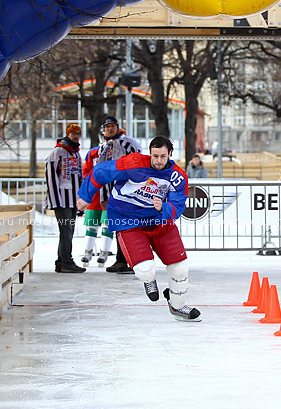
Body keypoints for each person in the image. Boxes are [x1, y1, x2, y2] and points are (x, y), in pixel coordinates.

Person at [76, 136, 201, 321]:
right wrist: (86, 196)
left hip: (159, 220)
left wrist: (163, 208)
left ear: (170, 155)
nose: (158, 161)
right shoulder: (133, 163)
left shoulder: (178, 176)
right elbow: (101, 171)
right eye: (155, 156)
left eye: (163, 156)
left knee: (180, 268)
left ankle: (178, 306)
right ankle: (149, 280)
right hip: (129, 221)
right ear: (150, 153)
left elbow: (178, 206)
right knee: (145, 269)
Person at [81, 115, 142, 271]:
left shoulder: (129, 143)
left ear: (117, 126)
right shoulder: (103, 147)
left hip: (127, 192)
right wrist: (103, 196)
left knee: (128, 227)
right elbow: (100, 173)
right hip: (110, 195)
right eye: (106, 127)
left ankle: (130, 260)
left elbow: (139, 164)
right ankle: (121, 260)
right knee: (118, 227)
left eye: (112, 126)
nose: (109, 129)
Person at [46, 124, 85, 273]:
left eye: (78, 133)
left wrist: (80, 200)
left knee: (69, 231)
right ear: (68, 134)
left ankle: (62, 260)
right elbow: (51, 178)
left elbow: (79, 176)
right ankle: (66, 261)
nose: (76, 136)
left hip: (72, 200)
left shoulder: (76, 153)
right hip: (61, 200)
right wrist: (55, 200)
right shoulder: (58, 152)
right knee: (66, 231)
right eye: (73, 133)